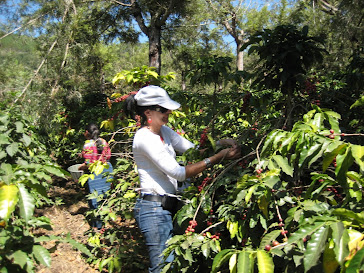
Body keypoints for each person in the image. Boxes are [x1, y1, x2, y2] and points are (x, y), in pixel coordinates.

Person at [124, 85, 240, 273]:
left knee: (171, 265)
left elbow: (193, 150)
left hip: (168, 207)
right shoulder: (144, 137)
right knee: (162, 268)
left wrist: (220, 144)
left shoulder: (164, 131)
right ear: (148, 112)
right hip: (153, 210)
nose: (168, 112)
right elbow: (178, 172)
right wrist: (218, 157)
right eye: (163, 109)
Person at [78, 123, 113, 229]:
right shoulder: (103, 141)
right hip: (106, 169)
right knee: (105, 197)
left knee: (94, 199)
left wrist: (79, 168)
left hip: (95, 173)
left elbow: (88, 164)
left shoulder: (87, 144)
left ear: (87, 133)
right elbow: (107, 156)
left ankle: (97, 226)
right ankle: (106, 223)